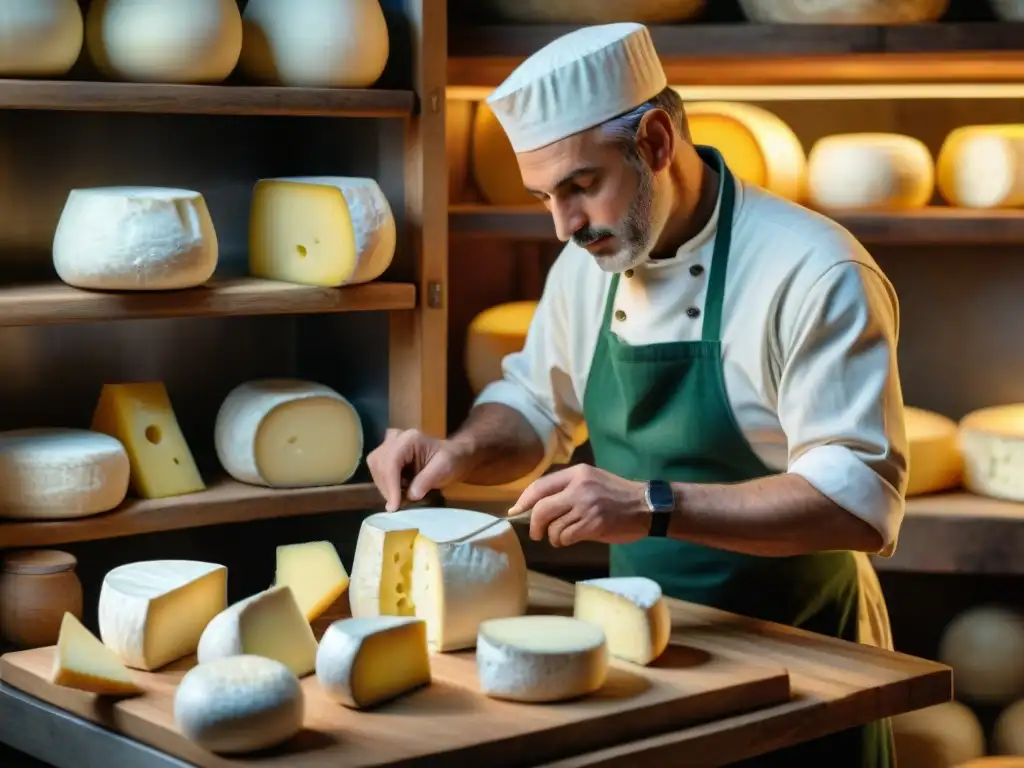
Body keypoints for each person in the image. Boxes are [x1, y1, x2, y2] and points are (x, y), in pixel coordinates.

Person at [368, 22, 906, 767]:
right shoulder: (592, 263)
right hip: (648, 655)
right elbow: (532, 407)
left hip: (804, 656)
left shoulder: (812, 271)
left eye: (581, 186)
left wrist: (649, 505)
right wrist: (457, 451)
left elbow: (857, 504)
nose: (564, 226)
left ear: (655, 141)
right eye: (542, 198)